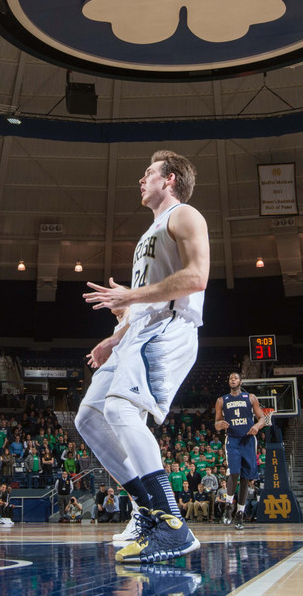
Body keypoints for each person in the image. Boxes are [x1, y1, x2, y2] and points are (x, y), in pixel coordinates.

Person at [77, 150, 208, 563]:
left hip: (169, 327)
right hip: (138, 332)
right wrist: (115, 337)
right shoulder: (149, 231)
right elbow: (142, 301)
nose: (141, 179)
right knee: (89, 417)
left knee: (120, 409)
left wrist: (130, 296)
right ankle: (146, 509)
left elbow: (196, 277)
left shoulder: (185, 216)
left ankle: (171, 522)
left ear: (169, 180)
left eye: (148, 172)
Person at [214, 372, 269, 530]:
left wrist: (257, 426)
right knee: (234, 473)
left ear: (240, 381)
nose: (233, 380)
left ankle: (240, 513)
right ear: (228, 382)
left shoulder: (250, 397)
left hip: (248, 440)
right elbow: (216, 423)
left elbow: (263, 418)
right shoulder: (221, 400)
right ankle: (228, 506)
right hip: (233, 440)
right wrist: (220, 425)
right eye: (230, 378)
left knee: (246, 477)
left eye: (235, 378)